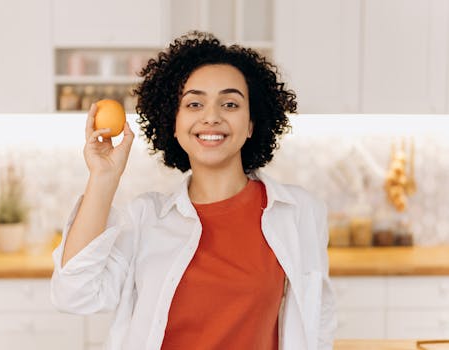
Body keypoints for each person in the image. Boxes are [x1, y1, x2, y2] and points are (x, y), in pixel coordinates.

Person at [51, 31, 337, 350]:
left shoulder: (299, 212)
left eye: (229, 104)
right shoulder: (146, 217)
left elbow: (317, 322)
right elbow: (74, 295)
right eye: (194, 103)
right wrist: (103, 178)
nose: (211, 117)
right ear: (174, 123)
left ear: (252, 123)